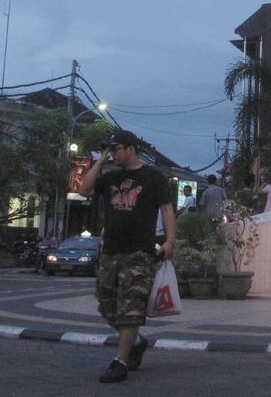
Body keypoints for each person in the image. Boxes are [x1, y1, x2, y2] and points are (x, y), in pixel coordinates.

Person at [77, 129, 176, 384]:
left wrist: (169, 240)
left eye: (115, 148)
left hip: (139, 252)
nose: (113, 153)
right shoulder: (110, 178)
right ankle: (136, 342)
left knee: (130, 307)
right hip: (110, 250)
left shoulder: (153, 177)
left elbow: (166, 208)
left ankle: (119, 361)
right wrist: (99, 161)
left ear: (130, 149)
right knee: (108, 305)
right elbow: (84, 190)